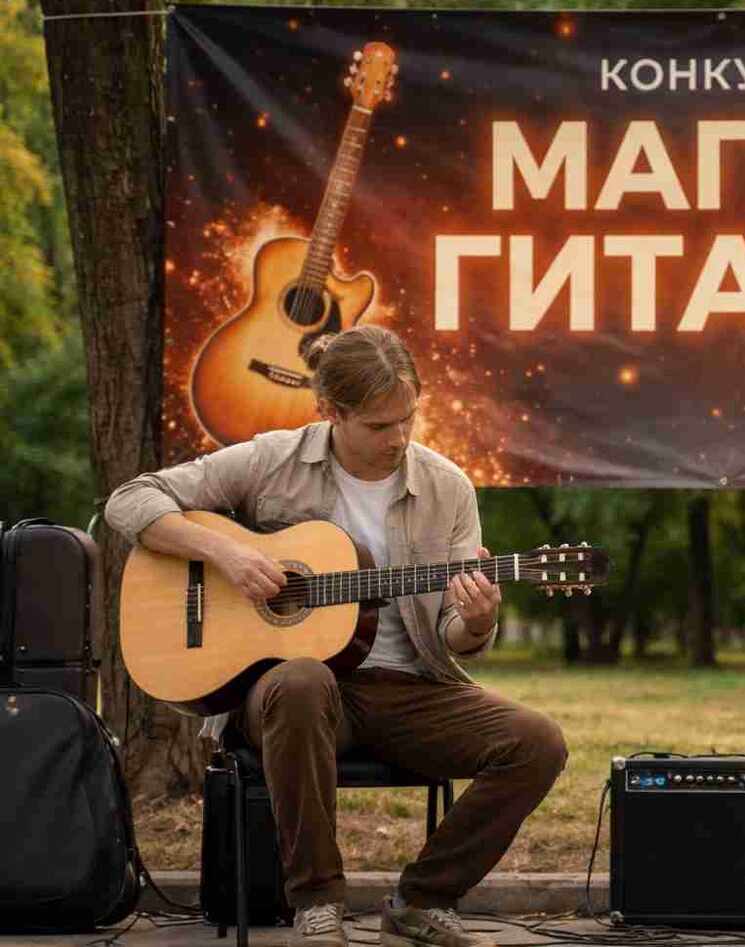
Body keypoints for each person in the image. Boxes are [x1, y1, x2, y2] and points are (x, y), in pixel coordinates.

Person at [107, 326, 568, 947]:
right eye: (379, 425)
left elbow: (451, 634)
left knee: (537, 742)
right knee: (303, 679)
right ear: (330, 411)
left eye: (407, 419)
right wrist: (225, 554)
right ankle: (317, 901)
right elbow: (130, 499)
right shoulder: (272, 460)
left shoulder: (447, 488)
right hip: (287, 692)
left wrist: (478, 619)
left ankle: (423, 900)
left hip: (408, 688)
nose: (398, 438)